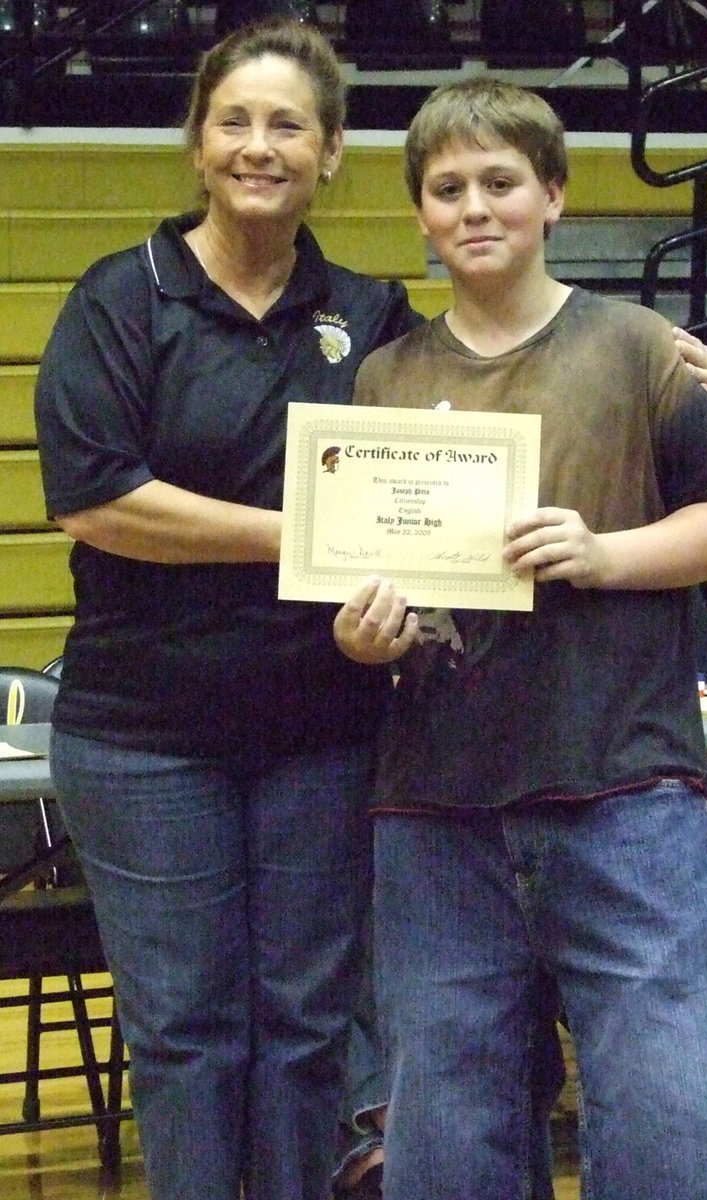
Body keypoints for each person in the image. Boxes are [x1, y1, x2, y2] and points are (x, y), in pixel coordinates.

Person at [333, 77, 707, 1200]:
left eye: (500, 182)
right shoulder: (381, 379)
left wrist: (602, 552)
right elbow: (357, 574)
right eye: (447, 189)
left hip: (621, 788)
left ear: (553, 196)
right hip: (434, 806)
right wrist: (363, 636)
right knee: (449, 1131)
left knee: (673, 1116)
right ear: (420, 214)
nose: (474, 207)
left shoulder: (637, 350)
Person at [32, 18, 422, 1200]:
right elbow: (100, 503)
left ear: (332, 151)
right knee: (190, 1036)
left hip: (322, 730)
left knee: (308, 1030)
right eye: (235, 122)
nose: (260, 146)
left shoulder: (374, 311)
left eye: (287, 125)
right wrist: (306, 540)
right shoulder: (119, 298)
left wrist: (658, 351)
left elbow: (452, 454)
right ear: (197, 144)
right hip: (143, 739)